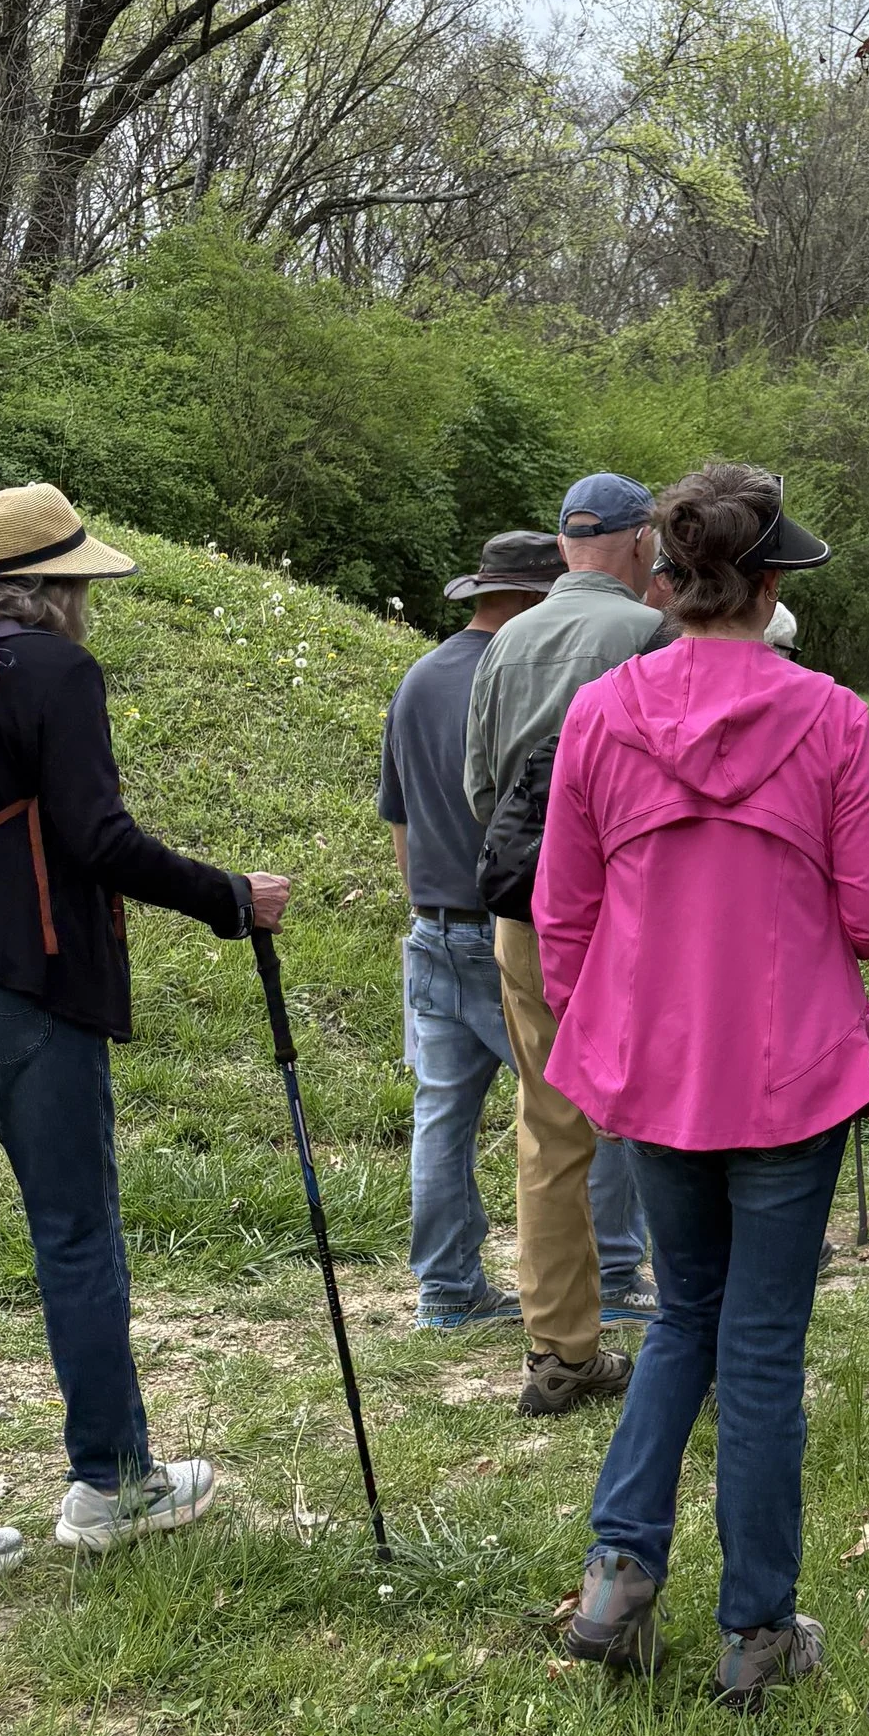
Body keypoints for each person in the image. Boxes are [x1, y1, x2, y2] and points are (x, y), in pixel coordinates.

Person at [0, 483, 290, 1609]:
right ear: (58, 583)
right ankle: (112, 1483)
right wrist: (230, 896)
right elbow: (97, 838)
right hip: (16, 983)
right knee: (75, 1233)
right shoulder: (54, 670)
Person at [544, 465, 869, 1705]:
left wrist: (607, 1036)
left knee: (681, 1317)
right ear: (766, 585)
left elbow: (562, 914)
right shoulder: (830, 719)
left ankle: (616, 1576)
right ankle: (754, 1631)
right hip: (788, 1070)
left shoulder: (602, 713)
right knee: (757, 1348)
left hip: (656, 1071)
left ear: (668, 579)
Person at [462, 474, 667, 1412]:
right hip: (636, 916)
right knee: (666, 1120)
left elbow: (482, 792)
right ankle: (694, 1330)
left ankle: (560, 1349)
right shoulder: (653, 634)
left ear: (562, 547)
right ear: (641, 541)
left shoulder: (507, 640)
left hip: (529, 915)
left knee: (548, 1128)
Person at [378, 532, 565, 1332]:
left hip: (432, 923)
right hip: (511, 925)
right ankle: (612, 1274)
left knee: (442, 1115)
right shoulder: (520, 679)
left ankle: (447, 1289)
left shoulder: (420, 677)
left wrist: (426, 903)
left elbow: (398, 816)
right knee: (574, 1104)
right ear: (529, 600)